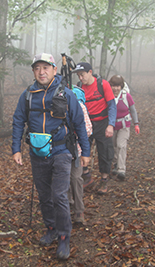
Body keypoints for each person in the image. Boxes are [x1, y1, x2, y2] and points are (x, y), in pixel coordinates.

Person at [11, 53, 91, 260]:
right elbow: (18, 120)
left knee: (59, 195)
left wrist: (86, 152)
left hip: (62, 151)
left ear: (54, 70)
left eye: (46, 67)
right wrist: (16, 149)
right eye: (37, 68)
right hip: (37, 153)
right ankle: (51, 228)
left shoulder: (66, 94)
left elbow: (80, 123)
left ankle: (64, 237)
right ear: (33, 71)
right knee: (44, 196)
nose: (41, 72)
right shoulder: (27, 95)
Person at [72, 62, 117, 195]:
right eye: (79, 75)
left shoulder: (102, 85)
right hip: (87, 122)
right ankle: (87, 176)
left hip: (103, 122)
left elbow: (112, 105)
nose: (81, 78)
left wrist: (111, 125)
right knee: (82, 148)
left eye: (82, 74)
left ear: (90, 72)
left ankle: (104, 180)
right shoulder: (79, 87)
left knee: (105, 151)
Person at [68, 87, 92, 225]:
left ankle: (79, 210)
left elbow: (88, 129)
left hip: (75, 150)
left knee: (76, 178)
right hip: (58, 151)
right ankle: (67, 204)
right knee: (62, 179)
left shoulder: (80, 106)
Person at [108, 75, 140, 180]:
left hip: (124, 125)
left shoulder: (126, 96)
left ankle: (121, 170)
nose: (116, 88)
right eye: (113, 86)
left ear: (121, 86)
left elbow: (133, 110)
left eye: (118, 86)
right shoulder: (108, 96)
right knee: (114, 146)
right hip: (112, 126)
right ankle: (116, 164)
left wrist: (136, 124)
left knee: (121, 145)